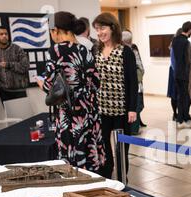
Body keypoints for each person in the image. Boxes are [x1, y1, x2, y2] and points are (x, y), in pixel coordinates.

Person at [37, 11, 105, 173]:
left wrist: (40, 83)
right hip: (89, 111)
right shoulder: (85, 50)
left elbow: (49, 86)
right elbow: (96, 83)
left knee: (71, 160)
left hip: (69, 113)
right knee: (88, 155)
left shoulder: (55, 51)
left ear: (57, 30)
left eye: (51, 31)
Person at [93, 13, 138, 180]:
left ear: (112, 28)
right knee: (104, 148)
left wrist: (132, 109)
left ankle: (122, 179)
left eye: (102, 28)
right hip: (101, 109)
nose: (99, 32)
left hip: (121, 110)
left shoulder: (125, 51)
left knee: (121, 149)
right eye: (97, 29)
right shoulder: (95, 50)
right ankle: (107, 177)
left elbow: (133, 82)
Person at [0, 26, 29, 102]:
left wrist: (9, 65)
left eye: (6, 34)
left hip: (19, 91)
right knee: (9, 114)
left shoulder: (17, 49)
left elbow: (25, 66)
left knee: (24, 113)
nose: (4, 36)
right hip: (4, 91)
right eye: (1, 34)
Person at [122, 30, 146, 134]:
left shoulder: (120, 50)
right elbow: (141, 68)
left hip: (125, 86)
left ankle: (131, 128)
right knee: (137, 106)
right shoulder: (132, 50)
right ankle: (134, 129)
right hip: (135, 85)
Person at [172, 21, 191, 128]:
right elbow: (188, 60)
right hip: (185, 74)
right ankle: (184, 117)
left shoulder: (175, 40)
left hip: (177, 73)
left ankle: (180, 117)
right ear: (189, 30)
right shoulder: (186, 43)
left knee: (181, 96)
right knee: (186, 97)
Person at [167, 28, 183, 121]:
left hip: (177, 71)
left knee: (179, 95)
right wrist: (177, 73)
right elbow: (173, 61)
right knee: (174, 94)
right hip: (174, 71)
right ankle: (175, 113)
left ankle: (180, 113)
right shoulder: (174, 45)